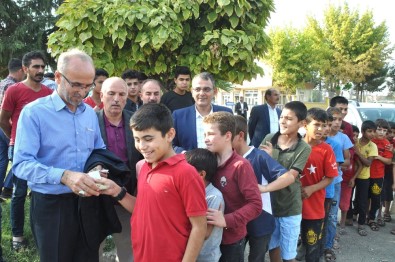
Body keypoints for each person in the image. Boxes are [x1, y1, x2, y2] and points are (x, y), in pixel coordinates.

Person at [12, 49, 106, 261]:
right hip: (51, 206)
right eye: (76, 85)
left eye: (88, 86)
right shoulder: (34, 112)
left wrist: (98, 168)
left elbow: (99, 150)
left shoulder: (90, 114)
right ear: (57, 77)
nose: (82, 93)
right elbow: (21, 164)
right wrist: (64, 176)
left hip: (87, 204)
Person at [98, 103, 207, 261]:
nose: (142, 146)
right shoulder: (144, 167)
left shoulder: (186, 173)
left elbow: (199, 227)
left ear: (169, 135)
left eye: (148, 139)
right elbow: (142, 208)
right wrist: (116, 191)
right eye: (137, 139)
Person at [0, 51, 53, 251]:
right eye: (35, 67)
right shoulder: (14, 90)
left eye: (42, 67)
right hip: (21, 149)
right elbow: (3, 120)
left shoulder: (49, 93)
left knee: (42, 193)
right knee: (19, 193)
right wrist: (14, 139)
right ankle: (17, 236)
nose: (40, 70)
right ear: (25, 69)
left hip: (44, 149)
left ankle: (43, 232)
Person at [232, 115, 298, 261]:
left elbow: (288, 177)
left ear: (240, 135)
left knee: (257, 257)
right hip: (236, 219)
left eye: (227, 135)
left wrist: (264, 188)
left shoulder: (259, 156)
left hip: (261, 218)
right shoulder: (225, 157)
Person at [204, 112, 262, 262]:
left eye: (211, 133)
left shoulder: (241, 166)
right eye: (205, 134)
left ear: (228, 135)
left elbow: (256, 205)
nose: (206, 139)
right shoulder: (206, 160)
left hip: (230, 240)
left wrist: (226, 219)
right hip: (207, 237)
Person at [96, 77, 142, 261]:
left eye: (121, 94)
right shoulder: (89, 121)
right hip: (97, 197)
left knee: (128, 245)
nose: (116, 98)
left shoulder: (136, 122)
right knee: (94, 244)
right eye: (111, 93)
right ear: (101, 96)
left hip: (127, 195)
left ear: (127, 97)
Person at [261, 101, 311, 262]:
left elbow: (290, 176)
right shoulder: (269, 139)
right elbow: (259, 167)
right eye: (281, 117)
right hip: (269, 206)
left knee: (289, 254)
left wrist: (270, 159)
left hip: (290, 207)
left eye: (289, 118)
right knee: (273, 247)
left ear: (302, 123)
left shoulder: (304, 147)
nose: (282, 121)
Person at [297, 108, 337, 262]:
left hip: (314, 207)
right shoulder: (295, 145)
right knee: (290, 243)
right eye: (317, 125)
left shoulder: (326, 150)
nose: (321, 129)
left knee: (313, 246)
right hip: (292, 205)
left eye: (324, 125)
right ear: (305, 124)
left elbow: (330, 177)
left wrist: (311, 188)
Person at [172, 72, 232, 153]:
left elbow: (233, 143)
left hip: (221, 165)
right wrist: (185, 155)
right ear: (192, 92)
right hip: (188, 163)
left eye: (206, 89)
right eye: (197, 89)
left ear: (214, 91)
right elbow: (171, 144)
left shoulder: (226, 114)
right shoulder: (178, 116)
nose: (201, 93)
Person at [185, 148, 225, 262]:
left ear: (202, 174)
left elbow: (205, 232)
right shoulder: (189, 191)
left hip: (206, 257)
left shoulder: (214, 197)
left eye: (187, 172)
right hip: (192, 254)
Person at [0, 58, 25, 199]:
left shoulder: (2, 83)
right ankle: (8, 188)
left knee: (2, 160)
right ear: (21, 69)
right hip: (7, 126)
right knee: (19, 159)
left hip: (0, 125)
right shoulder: (14, 87)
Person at [353, 120, 378, 236]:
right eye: (369, 131)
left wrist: (358, 153)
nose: (372, 134)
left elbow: (368, 163)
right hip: (352, 175)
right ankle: (350, 217)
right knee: (350, 198)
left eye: (374, 132)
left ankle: (361, 224)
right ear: (362, 131)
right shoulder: (355, 141)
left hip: (364, 177)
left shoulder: (373, 146)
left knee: (363, 200)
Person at [367, 119, 392, 229]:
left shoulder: (387, 144)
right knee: (364, 197)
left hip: (378, 175)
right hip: (365, 174)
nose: (381, 132)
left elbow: (389, 161)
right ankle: (363, 216)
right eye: (379, 129)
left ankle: (372, 218)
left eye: (384, 130)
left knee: (376, 198)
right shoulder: (369, 140)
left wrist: (378, 156)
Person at [382, 122, 395, 223]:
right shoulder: (381, 141)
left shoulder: (393, 143)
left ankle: (386, 211)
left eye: (393, 133)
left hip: (390, 170)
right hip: (380, 170)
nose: (391, 135)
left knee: (388, 191)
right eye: (389, 132)